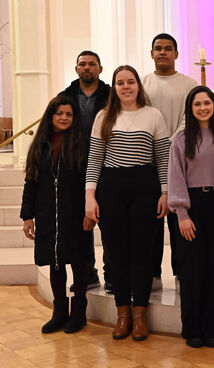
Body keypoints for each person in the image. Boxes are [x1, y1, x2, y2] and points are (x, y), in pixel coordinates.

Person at [85, 65, 170, 341]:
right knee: (116, 253)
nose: (126, 87)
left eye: (130, 82)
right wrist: (90, 196)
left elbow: (163, 158)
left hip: (145, 187)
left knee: (142, 253)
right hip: (111, 189)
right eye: (120, 83)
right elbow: (95, 160)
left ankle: (140, 315)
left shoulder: (153, 115)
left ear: (138, 85)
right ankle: (122, 314)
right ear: (114, 87)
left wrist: (165, 192)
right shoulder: (104, 117)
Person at [21, 95, 94, 334]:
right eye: (59, 113)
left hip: (75, 214)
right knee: (55, 263)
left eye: (68, 114)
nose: (63, 118)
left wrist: (89, 211)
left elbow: (89, 181)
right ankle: (59, 311)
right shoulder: (40, 144)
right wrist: (27, 216)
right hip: (46, 214)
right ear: (51, 116)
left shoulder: (82, 144)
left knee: (79, 262)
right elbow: (31, 181)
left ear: (74, 118)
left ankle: (79, 312)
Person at [168, 86, 214, 349]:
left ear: (213, 106)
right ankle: (192, 328)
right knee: (192, 271)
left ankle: (213, 329)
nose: (203, 108)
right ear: (190, 109)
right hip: (191, 206)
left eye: (207, 103)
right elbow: (175, 177)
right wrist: (182, 214)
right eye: (197, 104)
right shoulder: (181, 139)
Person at [143, 33, 199, 292]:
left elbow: (191, 116)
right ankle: (152, 273)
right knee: (152, 219)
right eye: (158, 48)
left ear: (176, 54)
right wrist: (155, 141)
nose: (163, 52)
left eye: (168, 49)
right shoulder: (143, 83)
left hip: (180, 158)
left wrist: (171, 141)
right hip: (149, 160)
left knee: (178, 217)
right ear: (152, 54)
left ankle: (181, 272)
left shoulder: (189, 84)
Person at [60, 50, 111, 293]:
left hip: (108, 165)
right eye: (82, 64)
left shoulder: (111, 96)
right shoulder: (66, 96)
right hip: (75, 167)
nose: (87, 68)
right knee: (80, 223)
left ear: (100, 69)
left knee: (109, 222)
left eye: (92, 64)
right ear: (76, 68)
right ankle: (86, 273)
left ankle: (111, 273)